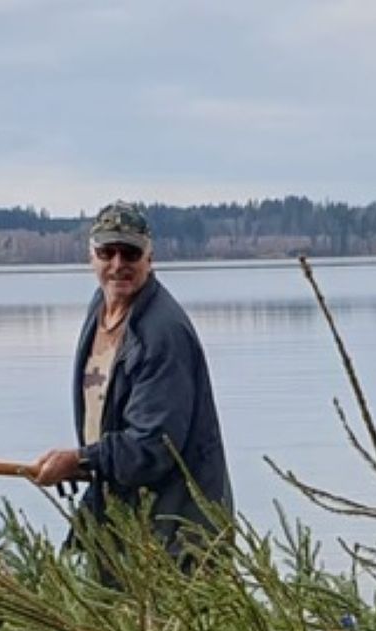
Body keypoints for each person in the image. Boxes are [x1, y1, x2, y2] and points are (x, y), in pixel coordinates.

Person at [30, 202, 234, 566]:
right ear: (91, 256)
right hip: (119, 514)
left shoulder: (162, 333)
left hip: (175, 533)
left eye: (130, 253)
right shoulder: (102, 307)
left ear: (149, 257)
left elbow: (154, 446)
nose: (118, 264)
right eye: (107, 252)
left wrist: (81, 458)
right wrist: (87, 465)